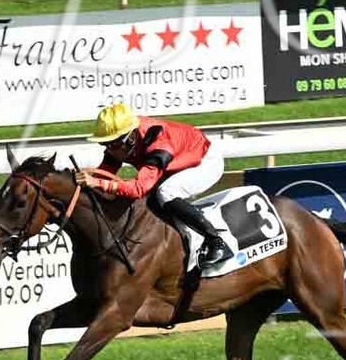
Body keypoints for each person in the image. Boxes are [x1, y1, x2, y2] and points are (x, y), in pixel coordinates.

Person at [78, 102, 234, 270]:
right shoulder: (121, 141)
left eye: (113, 144)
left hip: (204, 162)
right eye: (105, 144)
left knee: (166, 192)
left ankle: (216, 242)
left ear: (131, 138)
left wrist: (99, 183)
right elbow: (104, 173)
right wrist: (84, 183)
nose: (109, 150)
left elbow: (138, 189)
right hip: (175, 163)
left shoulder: (159, 143)